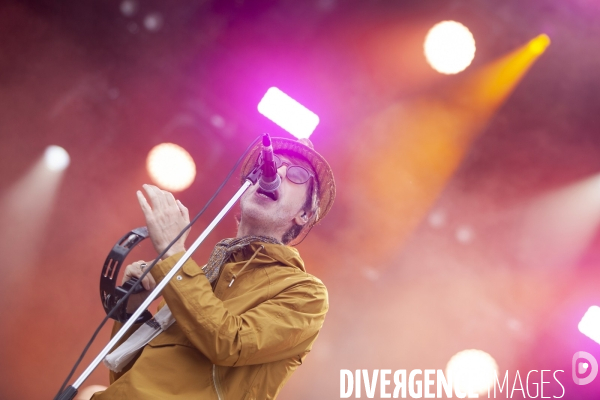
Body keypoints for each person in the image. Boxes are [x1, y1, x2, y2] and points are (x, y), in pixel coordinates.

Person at [92, 137, 335, 400]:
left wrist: (174, 256)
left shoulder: (305, 292)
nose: (275, 171)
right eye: (273, 162)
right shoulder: (199, 277)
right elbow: (125, 374)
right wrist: (132, 312)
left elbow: (231, 343)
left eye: (297, 175)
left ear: (305, 215)